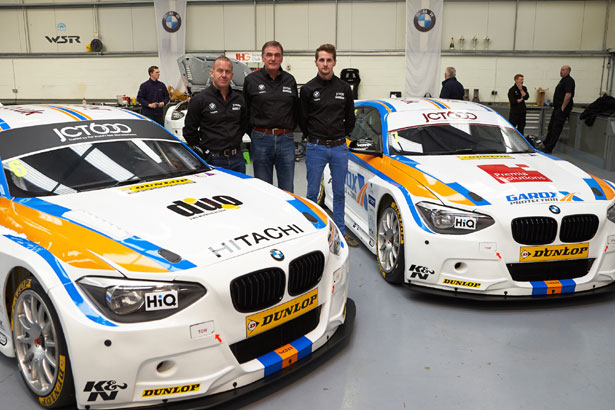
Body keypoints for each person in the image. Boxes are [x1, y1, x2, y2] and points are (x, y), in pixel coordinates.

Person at [300, 44, 359, 248]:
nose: (325, 64)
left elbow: (350, 117)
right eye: (321, 60)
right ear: (316, 62)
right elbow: (303, 119)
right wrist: (313, 136)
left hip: (339, 148)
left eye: (329, 60)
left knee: (340, 192)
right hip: (316, 148)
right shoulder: (307, 89)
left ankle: (341, 232)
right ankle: (312, 233)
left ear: (334, 62)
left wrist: (342, 135)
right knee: (312, 192)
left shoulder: (344, 88)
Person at [244, 40, 299, 192]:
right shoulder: (251, 80)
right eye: (269, 55)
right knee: (263, 189)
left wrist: (287, 130)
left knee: (287, 189)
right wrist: (256, 133)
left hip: (286, 140)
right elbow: (245, 111)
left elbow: (296, 110)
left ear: (281, 58)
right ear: (263, 57)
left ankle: (287, 216)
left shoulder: (290, 80)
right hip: (261, 139)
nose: (273, 59)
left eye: (277, 55)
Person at [182, 56, 248, 173]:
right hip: (213, 159)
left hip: (237, 158)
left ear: (231, 75)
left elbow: (243, 125)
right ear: (212, 73)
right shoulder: (200, 99)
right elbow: (189, 130)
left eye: (227, 72)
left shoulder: (239, 99)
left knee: (237, 191)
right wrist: (203, 150)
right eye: (220, 70)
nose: (224, 75)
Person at [543, 65, 575, 153]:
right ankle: (545, 143)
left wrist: (562, 108)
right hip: (557, 107)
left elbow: (568, 95)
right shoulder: (562, 80)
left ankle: (549, 148)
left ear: (568, 71)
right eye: (561, 70)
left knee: (556, 128)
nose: (561, 71)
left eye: (563, 70)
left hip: (562, 108)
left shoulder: (569, 81)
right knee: (551, 126)